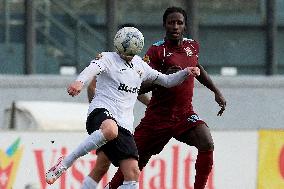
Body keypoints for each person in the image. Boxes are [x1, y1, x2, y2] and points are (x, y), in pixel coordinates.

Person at [83, 6, 227, 189]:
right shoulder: (156, 52)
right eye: (171, 23)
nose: (175, 26)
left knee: (206, 142)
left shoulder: (192, 46)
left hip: (184, 114)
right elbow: (138, 86)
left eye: (179, 23)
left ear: (185, 26)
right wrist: (165, 76)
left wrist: (216, 91)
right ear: (164, 25)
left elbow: (197, 67)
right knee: (136, 162)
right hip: (158, 118)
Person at [45, 26, 200, 189]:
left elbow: (167, 81)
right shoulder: (107, 58)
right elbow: (92, 69)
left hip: (124, 125)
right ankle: (65, 163)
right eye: (124, 51)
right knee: (110, 132)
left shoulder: (141, 66)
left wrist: (186, 72)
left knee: (133, 174)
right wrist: (79, 82)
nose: (127, 56)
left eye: (131, 53)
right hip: (101, 113)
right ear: (118, 46)